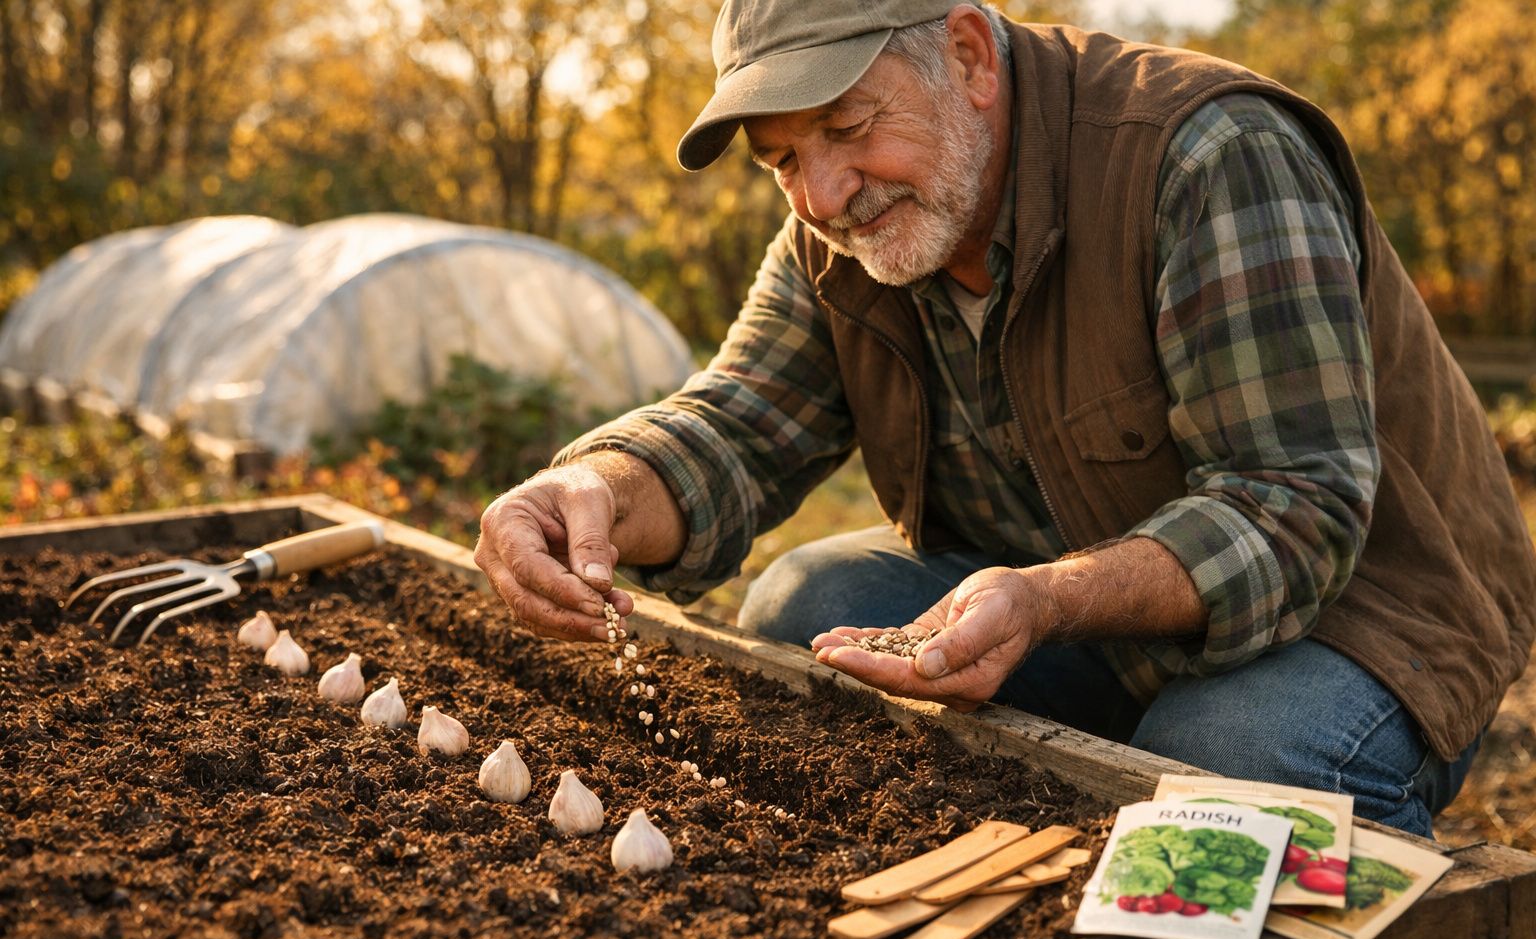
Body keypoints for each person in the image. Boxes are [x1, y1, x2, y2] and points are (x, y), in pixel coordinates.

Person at [475, 0, 1536, 837]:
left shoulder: (1208, 156)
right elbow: (740, 426)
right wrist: (591, 487)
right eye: (784, 159)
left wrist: (1044, 599)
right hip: (1083, 611)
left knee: (1219, 766)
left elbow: (1294, 508)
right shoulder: (849, 230)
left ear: (972, 57)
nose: (823, 193)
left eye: (848, 127)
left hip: (1365, 617)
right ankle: (1106, 792)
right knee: (811, 600)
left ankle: (1411, 922)